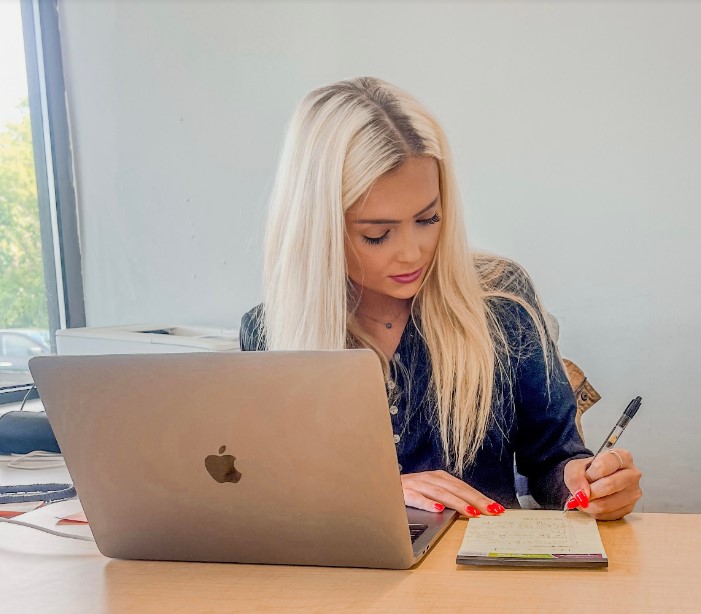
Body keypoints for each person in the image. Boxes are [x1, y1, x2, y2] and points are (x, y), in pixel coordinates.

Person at [240, 76, 642, 520]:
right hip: (341, 566)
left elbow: (551, 460)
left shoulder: (501, 300)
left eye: (428, 219)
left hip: (480, 561)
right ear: (319, 228)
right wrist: (376, 492)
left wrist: (587, 483)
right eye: (377, 234)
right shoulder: (270, 332)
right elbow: (267, 494)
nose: (412, 253)